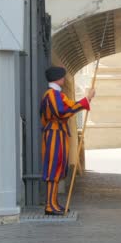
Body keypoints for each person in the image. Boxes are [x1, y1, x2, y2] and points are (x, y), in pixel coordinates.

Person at [40, 66, 95, 215]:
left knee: (57, 168)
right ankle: (49, 205)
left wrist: (86, 101)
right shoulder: (51, 95)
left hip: (59, 133)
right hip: (54, 134)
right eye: (62, 77)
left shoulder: (57, 95)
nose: (64, 79)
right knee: (53, 169)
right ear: (58, 79)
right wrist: (85, 101)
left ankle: (54, 202)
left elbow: (69, 106)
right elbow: (62, 112)